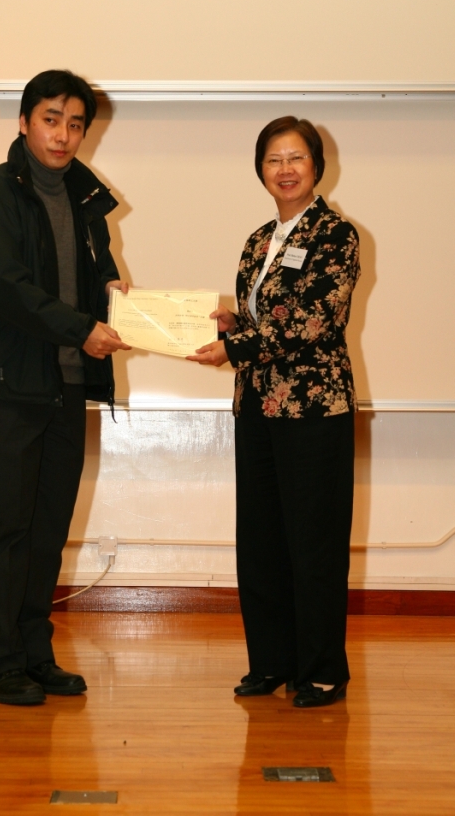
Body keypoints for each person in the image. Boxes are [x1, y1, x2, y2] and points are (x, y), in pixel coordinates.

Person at [0, 69, 131, 706]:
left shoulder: (85, 201)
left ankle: (33, 653)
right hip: (5, 386)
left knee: (48, 527)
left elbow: (102, 278)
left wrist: (121, 306)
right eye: (51, 119)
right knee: (7, 526)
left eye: (75, 123)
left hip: (67, 386)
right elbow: (5, 289)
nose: (63, 134)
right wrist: (82, 326)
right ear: (24, 123)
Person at [188, 116, 360, 708]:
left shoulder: (337, 234)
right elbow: (264, 321)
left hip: (313, 409)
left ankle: (320, 670)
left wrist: (238, 346)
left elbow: (315, 320)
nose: (284, 170)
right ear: (260, 170)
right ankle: (270, 663)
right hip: (258, 406)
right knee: (260, 540)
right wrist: (233, 324)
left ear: (316, 167)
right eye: (272, 161)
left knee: (313, 543)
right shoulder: (260, 240)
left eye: (296, 159)